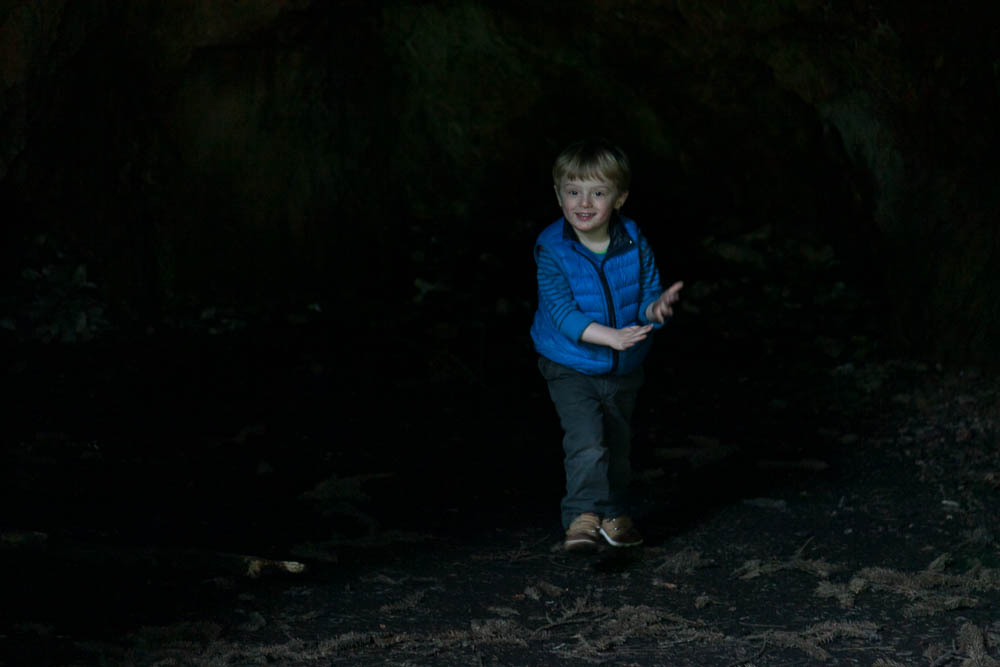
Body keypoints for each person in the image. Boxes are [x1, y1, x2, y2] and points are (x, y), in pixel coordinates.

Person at [531, 137, 683, 551]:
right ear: (559, 196)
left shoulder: (632, 238)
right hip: (571, 364)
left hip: (622, 367)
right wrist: (611, 337)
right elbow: (562, 314)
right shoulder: (552, 248)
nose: (584, 203)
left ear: (619, 199)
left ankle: (614, 514)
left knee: (617, 447)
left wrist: (656, 309)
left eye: (597, 193)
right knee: (587, 442)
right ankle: (582, 517)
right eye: (573, 192)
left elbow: (647, 296)